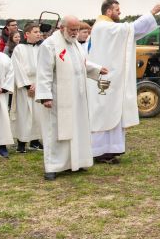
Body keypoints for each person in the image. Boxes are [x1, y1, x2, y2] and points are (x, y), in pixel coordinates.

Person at [87, 0, 160, 164]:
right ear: (108, 11)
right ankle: (99, 151)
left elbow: (131, 33)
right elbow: (131, 29)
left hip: (111, 77)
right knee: (104, 112)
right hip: (105, 78)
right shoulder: (104, 27)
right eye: (117, 10)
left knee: (112, 112)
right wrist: (152, 13)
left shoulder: (104, 27)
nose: (120, 13)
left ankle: (111, 149)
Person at [35, 16, 107, 180]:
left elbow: (79, 63)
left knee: (76, 129)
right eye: (72, 30)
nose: (75, 33)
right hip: (58, 97)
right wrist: (45, 96)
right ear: (62, 28)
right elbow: (44, 72)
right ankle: (52, 166)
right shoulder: (50, 45)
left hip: (77, 96)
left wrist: (96, 69)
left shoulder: (74, 43)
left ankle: (75, 162)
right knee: (56, 131)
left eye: (76, 30)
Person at [10, 23, 45, 153]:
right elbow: (16, 67)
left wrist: (39, 83)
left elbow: (45, 67)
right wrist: (27, 86)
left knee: (38, 115)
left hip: (39, 84)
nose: (38, 34)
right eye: (35, 31)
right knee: (24, 114)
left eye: (39, 32)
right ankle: (21, 142)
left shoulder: (43, 48)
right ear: (27, 34)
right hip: (24, 86)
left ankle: (35, 141)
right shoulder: (19, 48)